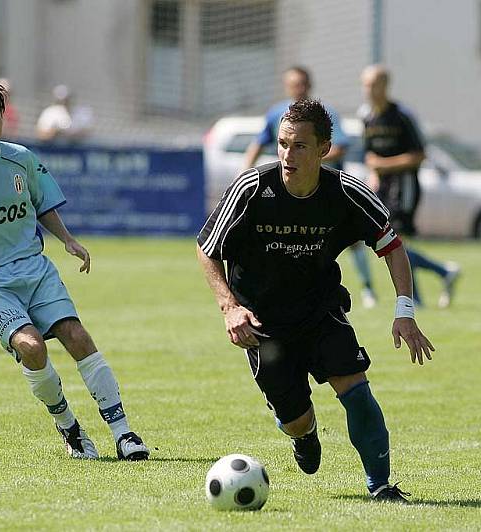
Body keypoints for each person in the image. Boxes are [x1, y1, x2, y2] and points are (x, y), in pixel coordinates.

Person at [197, 99, 434, 501]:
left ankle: (381, 486)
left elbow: (392, 246)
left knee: (355, 389)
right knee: (295, 419)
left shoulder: (345, 193)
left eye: (300, 146)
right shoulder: (251, 189)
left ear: (324, 149)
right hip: (262, 323)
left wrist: (404, 311)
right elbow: (207, 249)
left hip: (320, 311)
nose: (288, 155)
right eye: (283, 144)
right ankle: (303, 434)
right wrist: (229, 306)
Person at [0, 81, 149, 461]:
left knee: (77, 335)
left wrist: (67, 239)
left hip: (34, 269)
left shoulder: (21, 158)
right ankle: (70, 428)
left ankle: (124, 433)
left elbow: (41, 203)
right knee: (31, 347)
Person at [243, 66, 377, 309]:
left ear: (309, 85)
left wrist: (309, 161)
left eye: (302, 84)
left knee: (355, 240)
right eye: (293, 84)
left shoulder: (324, 114)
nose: (298, 89)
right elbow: (259, 142)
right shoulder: (276, 114)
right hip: (288, 190)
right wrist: (244, 172)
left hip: (325, 191)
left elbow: (341, 145)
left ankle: (367, 288)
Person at [360, 65, 460, 308]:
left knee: (395, 241)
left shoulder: (402, 115)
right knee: (391, 241)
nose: (369, 90)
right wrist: (374, 173)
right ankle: (442, 274)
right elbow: (370, 155)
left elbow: (419, 155)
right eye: (365, 85)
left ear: (385, 85)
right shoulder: (368, 116)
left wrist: (384, 165)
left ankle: (421, 293)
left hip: (404, 186)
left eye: (373, 85)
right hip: (382, 187)